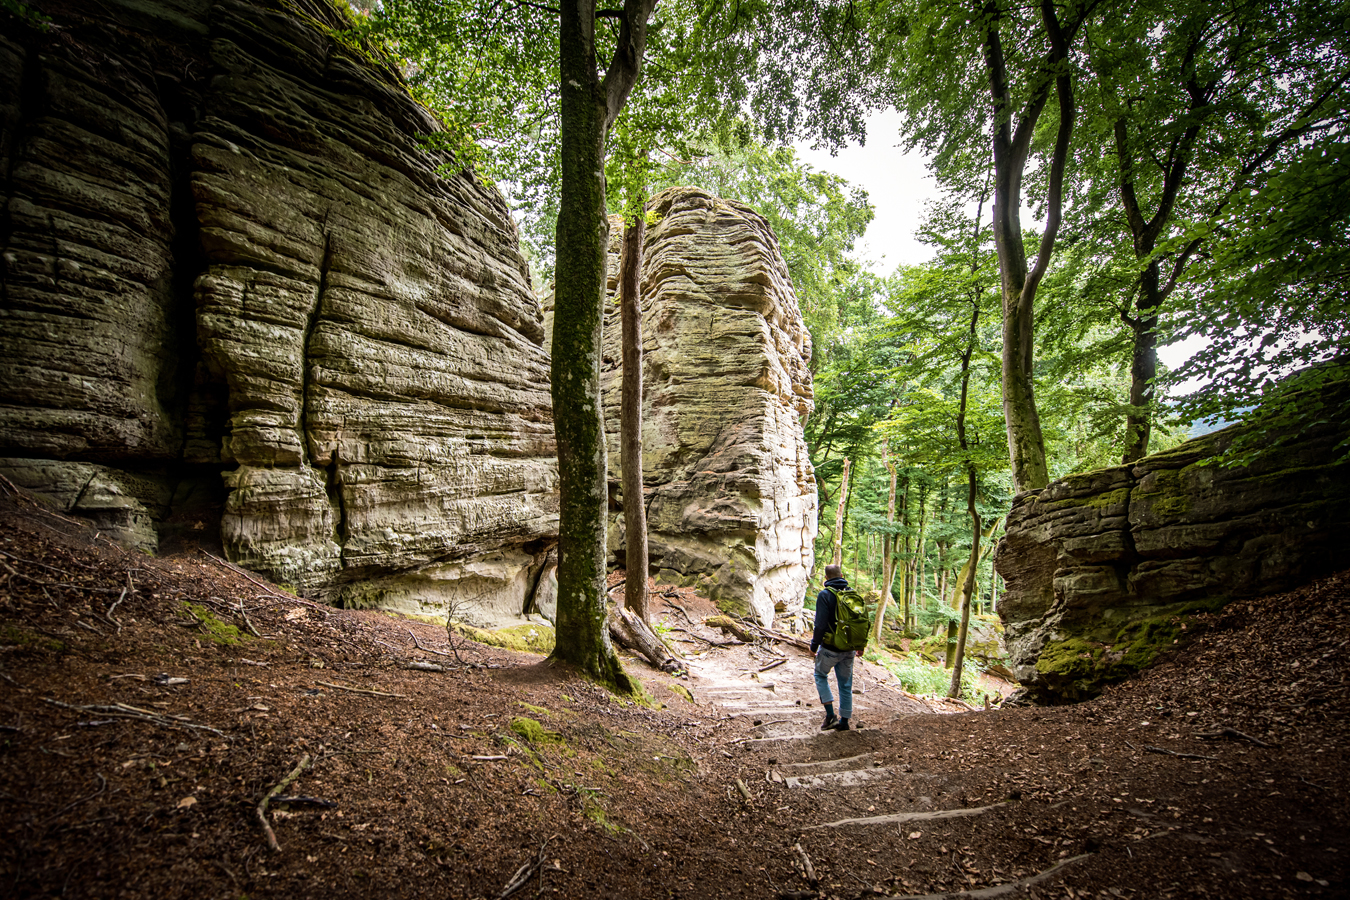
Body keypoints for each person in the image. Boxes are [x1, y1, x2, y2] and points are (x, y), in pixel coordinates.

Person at [811, 564, 862, 731]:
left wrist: (814, 645)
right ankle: (844, 721)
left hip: (830, 647)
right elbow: (860, 623)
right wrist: (860, 645)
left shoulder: (824, 595)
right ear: (841, 574)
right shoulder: (852, 593)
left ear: (826, 578)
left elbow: (819, 625)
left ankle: (830, 715)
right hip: (849, 648)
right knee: (846, 684)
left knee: (820, 675)